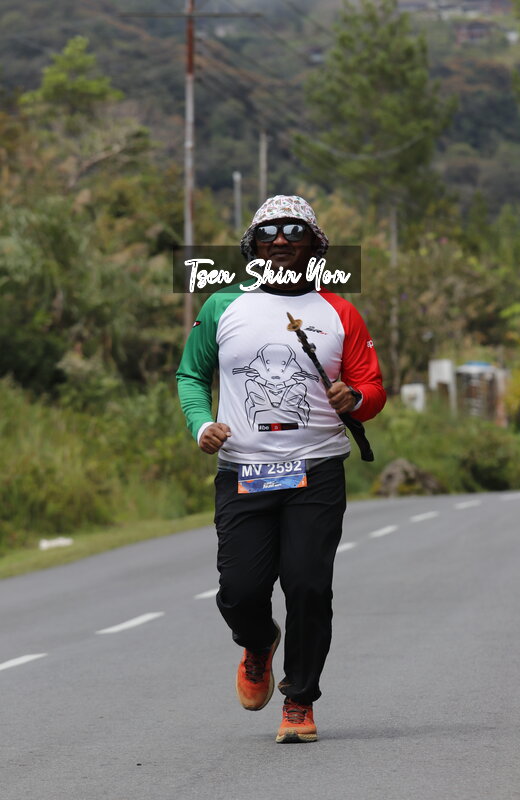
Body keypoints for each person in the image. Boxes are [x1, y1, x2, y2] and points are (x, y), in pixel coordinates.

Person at [177, 195, 386, 743]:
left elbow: (372, 388)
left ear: (315, 243)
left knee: (309, 585)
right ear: (253, 245)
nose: (281, 239)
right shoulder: (223, 305)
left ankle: (299, 701)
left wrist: (355, 398)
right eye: (269, 231)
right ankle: (258, 640)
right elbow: (191, 376)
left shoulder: (339, 312)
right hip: (243, 471)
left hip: (316, 469)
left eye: (295, 230)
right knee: (240, 591)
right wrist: (202, 425)